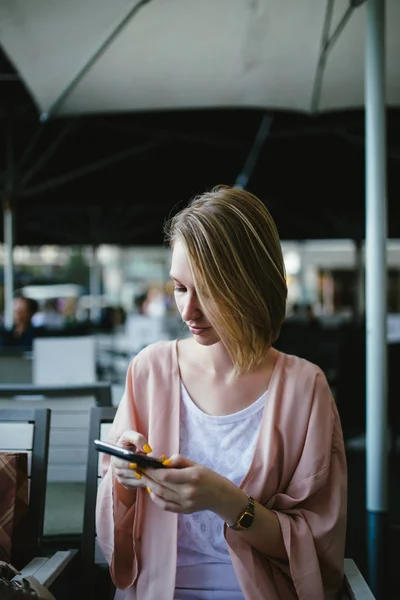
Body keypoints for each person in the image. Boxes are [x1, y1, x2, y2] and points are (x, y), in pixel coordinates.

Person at [96, 186, 347, 600]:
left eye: (208, 291)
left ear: (249, 284)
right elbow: (112, 510)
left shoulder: (305, 388)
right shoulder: (149, 370)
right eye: (179, 288)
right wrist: (124, 476)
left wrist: (226, 501)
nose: (188, 311)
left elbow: (317, 548)